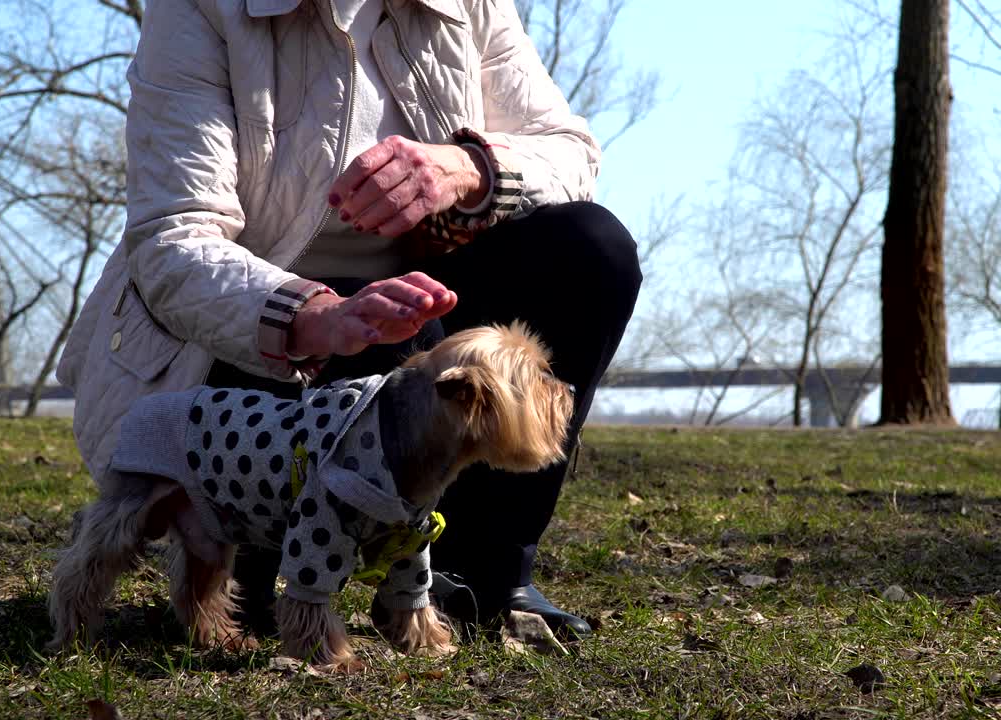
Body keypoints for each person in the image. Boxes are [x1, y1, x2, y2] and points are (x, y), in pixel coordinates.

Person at [57, 0, 641, 639]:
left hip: (428, 302)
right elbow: (173, 240)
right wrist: (315, 314)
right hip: (264, 333)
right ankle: (269, 561)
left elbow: (570, 151)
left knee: (593, 250)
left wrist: (469, 168)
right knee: (400, 335)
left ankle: (482, 571)